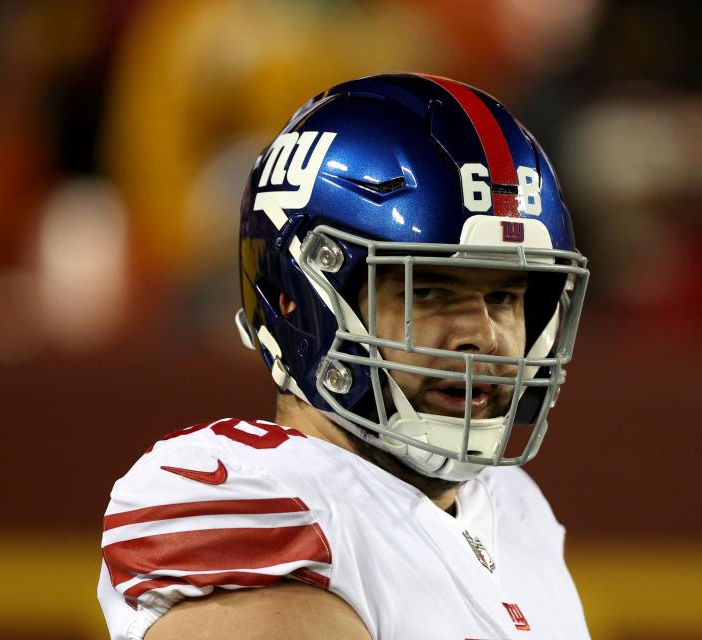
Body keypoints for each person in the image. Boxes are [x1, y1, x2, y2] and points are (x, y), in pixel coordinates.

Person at [97, 73, 591, 639]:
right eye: (428, 292)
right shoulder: (270, 503)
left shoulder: (512, 505)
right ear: (298, 298)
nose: (483, 336)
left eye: (503, 295)